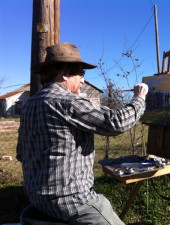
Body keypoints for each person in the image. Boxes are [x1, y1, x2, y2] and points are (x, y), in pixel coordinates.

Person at [17, 42, 148, 225]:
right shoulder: (67, 101)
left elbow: (20, 153)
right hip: (71, 200)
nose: (83, 81)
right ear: (64, 73)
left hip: (36, 197)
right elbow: (116, 123)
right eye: (81, 74)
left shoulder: (29, 105)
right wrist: (139, 98)